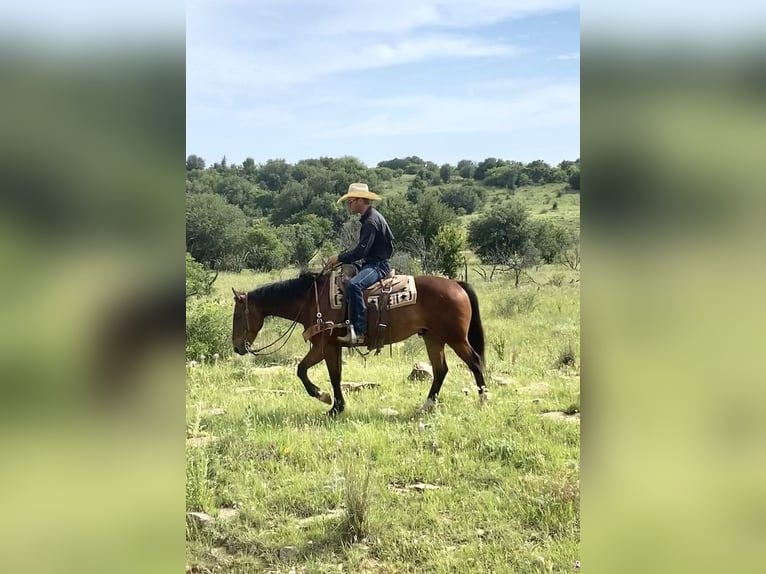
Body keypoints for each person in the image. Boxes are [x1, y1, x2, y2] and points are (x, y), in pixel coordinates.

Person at [326, 183, 394, 346]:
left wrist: (339, 258)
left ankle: (359, 331)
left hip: (378, 265)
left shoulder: (370, 221)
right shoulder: (370, 218)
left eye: (350, 200)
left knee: (354, 285)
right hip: (372, 262)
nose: (348, 204)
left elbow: (360, 252)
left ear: (360, 200)